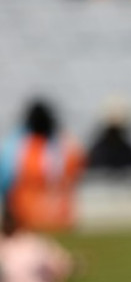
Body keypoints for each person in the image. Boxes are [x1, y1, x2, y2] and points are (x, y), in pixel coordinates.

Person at [0, 99, 86, 233]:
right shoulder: (66, 145)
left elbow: (5, 183)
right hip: (56, 218)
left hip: (31, 218)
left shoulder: (14, 147)